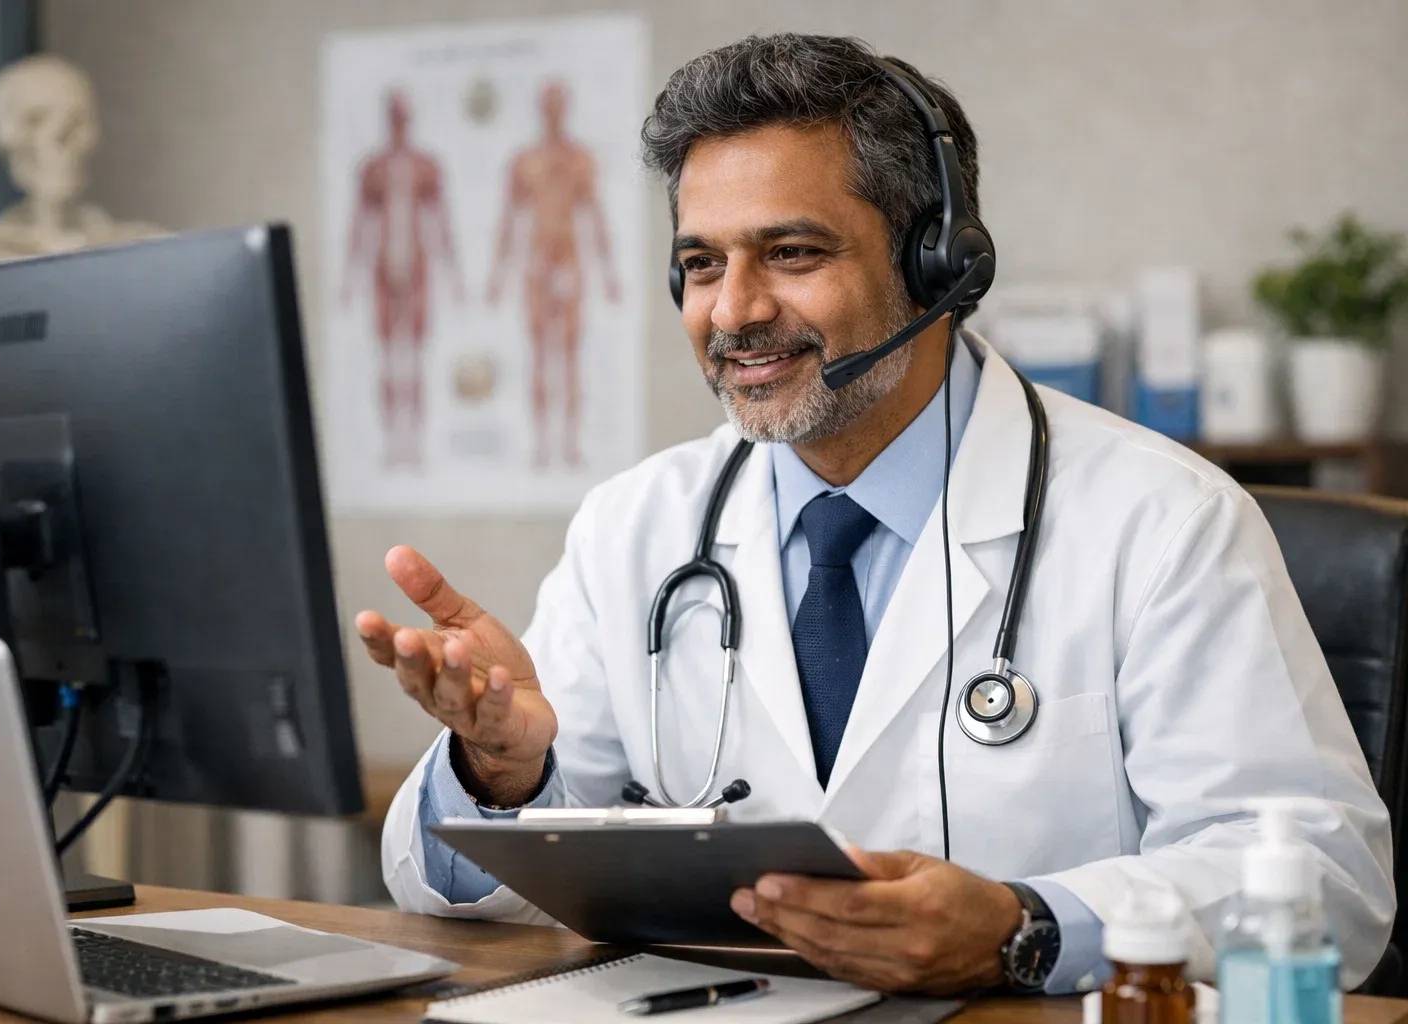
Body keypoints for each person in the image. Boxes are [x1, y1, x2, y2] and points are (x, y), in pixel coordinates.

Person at [363, 34, 1393, 995]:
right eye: (703, 263)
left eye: (793, 253)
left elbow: (1326, 881)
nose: (733, 312)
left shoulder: (1162, 520)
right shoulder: (637, 525)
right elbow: (448, 888)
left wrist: (1021, 924)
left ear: (936, 262)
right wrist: (501, 776)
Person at [487, 80, 622, 469]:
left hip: (568, 260)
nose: (553, 110)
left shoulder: (580, 159)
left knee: (568, 352)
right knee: (539, 354)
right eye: (548, 103)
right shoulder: (524, 161)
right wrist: (499, 274)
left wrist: (608, 274)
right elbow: (509, 219)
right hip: (536, 263)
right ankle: (542, 443)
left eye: (559, 103)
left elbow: (594, 215)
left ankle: (569, 443)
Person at [341, 89, 463, 466]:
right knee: (389, 361)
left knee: (414, 361)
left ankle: (415, 442)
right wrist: (351, 277)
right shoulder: (372, 169)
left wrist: (452, 274)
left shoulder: (426, 166)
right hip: (383, 271)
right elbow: (361, 224)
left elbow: (439, 221)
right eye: (394, 114)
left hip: (417, 271)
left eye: (403, 115)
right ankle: (392, 442)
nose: (399, 120)